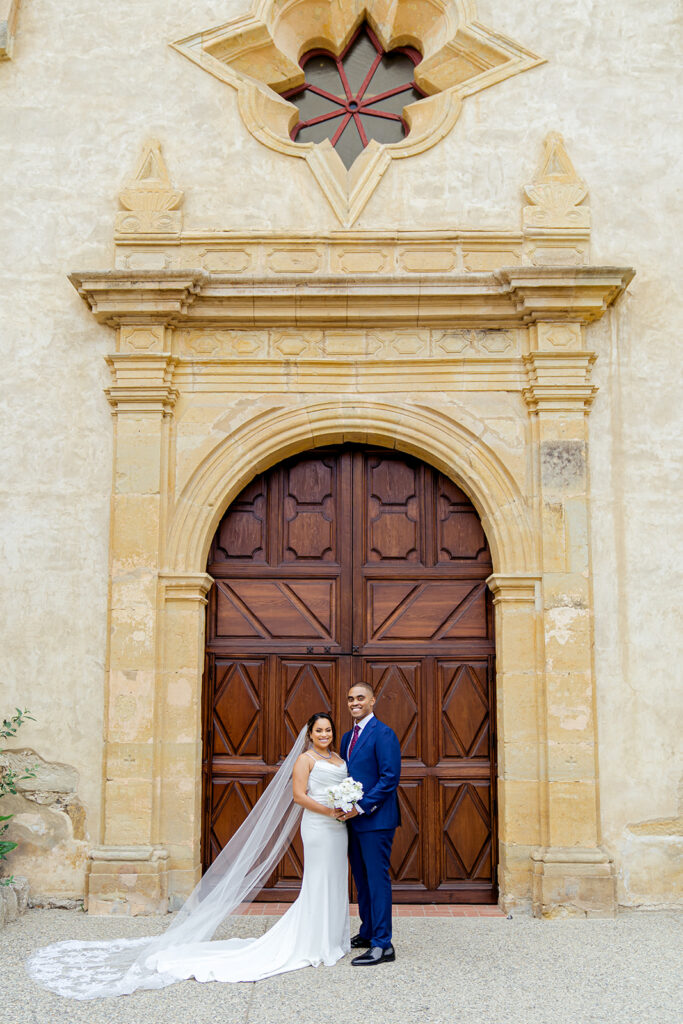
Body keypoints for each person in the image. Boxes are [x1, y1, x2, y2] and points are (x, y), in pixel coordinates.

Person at [27, 713, 351, 999]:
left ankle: (330, 938)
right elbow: (298, 796)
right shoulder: (306, 760)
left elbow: (345, 785)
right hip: (319, 827)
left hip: (338, 828)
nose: (324, 735)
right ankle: (313, 941)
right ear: (309, 734)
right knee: (318, 879)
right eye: (319, 731)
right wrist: (328, 810)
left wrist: (347, 806)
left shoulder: (337, 757)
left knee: (335, 878)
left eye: (328, 731)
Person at [339, 682, 402, 966]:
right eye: (351, 698)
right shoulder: (345, 738)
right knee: (361, 881)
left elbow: (389, 778)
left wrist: (361, 807)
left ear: (372, 701)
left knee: (377, 881)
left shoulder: (384, 734)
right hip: (352, 822)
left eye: (360, 698)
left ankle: (383, 944)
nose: (355, 702)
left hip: (376, 820)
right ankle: (367, 931)